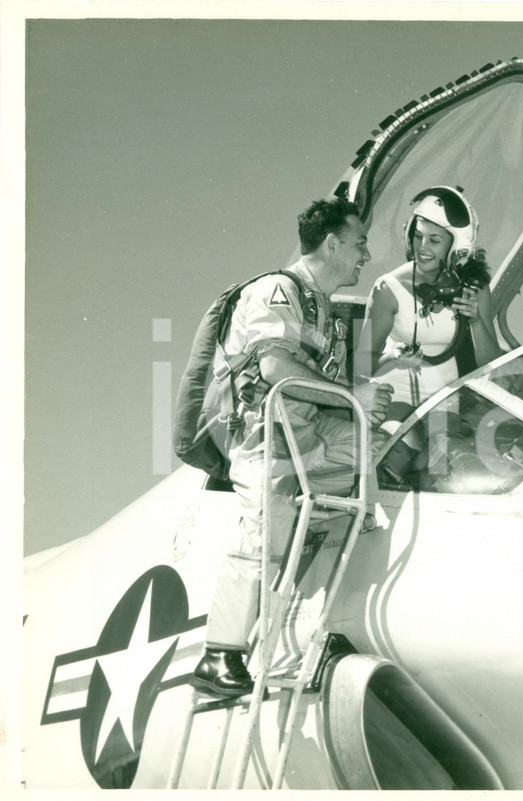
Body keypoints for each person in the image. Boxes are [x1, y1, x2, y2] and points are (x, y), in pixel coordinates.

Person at [190, 197, 393, 697]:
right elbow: (275, 368)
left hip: (307, 431)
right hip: (264, 434)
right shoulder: (278, 290)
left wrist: (364, 408)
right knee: (267, 527)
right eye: (360, 243)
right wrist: (354, 398)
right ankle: (219, 654)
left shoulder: (325, 311)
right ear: (333, 244)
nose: (367, 255)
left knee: (380, 450)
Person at [357, 186, 502, 432]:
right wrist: (393, 358)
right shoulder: (388, 289)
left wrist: (476, 322)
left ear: (457, 245)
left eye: (434, 240)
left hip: (444, 403)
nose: (422, 247)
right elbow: (362, 364)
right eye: (417, 236)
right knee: (402, 440)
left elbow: (491, 366)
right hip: (394, 398)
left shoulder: (474, 288)